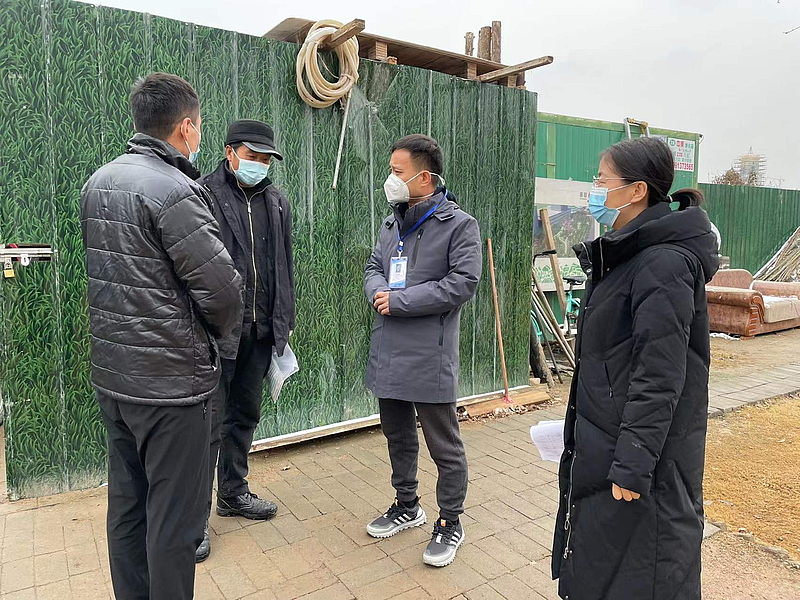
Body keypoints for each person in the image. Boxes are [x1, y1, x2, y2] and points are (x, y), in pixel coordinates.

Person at [80, 73, 242, 600]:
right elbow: (222, 292)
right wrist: (218, 343)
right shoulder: (175, 190)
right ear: (186, 127)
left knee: (128, 507)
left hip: (116, 381)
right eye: (199, 126)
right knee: (175, 522)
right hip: (172, 389)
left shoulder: (98, 181)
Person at [552, 136, 720, 599]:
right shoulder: (626, 254)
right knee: (605, 566)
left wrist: (632, 462)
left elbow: (660, 373)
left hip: (640, 462)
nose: (595, 188)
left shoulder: (663, 263)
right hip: (607, 442)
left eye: (602, 179)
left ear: (636, 191)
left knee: (646, 570)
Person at [363, 134, 482, 568]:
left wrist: (401, 300)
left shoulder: (459, 225)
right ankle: (407, 504)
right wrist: (379, 291)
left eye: (397, 172)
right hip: (388, 348)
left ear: (425, 177)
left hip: (429, 354)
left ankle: (450, 521)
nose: (390, 179)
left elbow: (462, 283)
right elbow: (373, 267)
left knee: (443, 445)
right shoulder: (392, 223)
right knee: (397, 434)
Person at [195, 119, 296, 561]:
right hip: (218, 333)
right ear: (230, 152)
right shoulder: (203, 194)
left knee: (244, 415)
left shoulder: (276, 201)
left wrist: (283, 320)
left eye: (266, 159)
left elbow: (283, 264)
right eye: (252, 156)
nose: (259, 165)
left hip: (259, 331)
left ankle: (233, 493)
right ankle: (193, 519)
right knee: (207, 426)